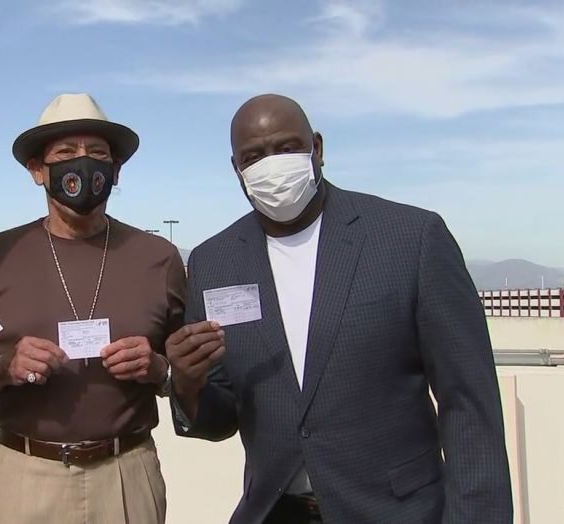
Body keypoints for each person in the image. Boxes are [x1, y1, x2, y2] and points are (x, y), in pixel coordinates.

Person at [167, 94, 512, 523]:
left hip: (396, 513)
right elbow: (221, 419)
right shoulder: (213, 261)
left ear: (317, 148)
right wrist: (187, 384)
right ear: (236, 169)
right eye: (253, 156)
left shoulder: (411, 238)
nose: (271, 166)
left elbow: (468, 403)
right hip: (275, 512)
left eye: (286, 148)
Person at [0, 93, 185, 524]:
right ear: (37, 170)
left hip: (127, 474)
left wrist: (157, 368)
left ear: (116, 171)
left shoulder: (160, 258)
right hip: (25, 474)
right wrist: (5, 367)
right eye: (66, 153)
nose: (83, 162)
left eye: (97, 153)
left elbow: (187, 373)